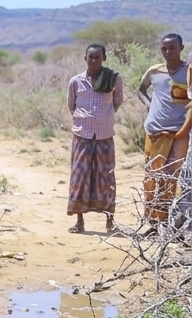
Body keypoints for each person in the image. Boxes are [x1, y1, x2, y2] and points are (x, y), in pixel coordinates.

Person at [66, 43, 124, 234]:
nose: (93, 60)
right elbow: (71, 106)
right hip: (82, 135)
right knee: (79, 177)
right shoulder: (76, 81)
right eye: (90, 57)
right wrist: (86, 120)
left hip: (104, 136)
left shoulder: (113, 79)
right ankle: (79, 221)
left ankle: (110, 222)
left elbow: (117, 102)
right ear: (85, 58)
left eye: (97, 57)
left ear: (104, 58)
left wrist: (103, 118)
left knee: (106, 177)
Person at [137, 33, 189, 230]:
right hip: (154, 130)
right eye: (164, 48)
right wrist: (148, 105)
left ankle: (166, 222)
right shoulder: (155, 71)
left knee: (171, 177)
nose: (168, 52)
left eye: (172, 48)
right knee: (152, 177)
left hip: (178, 132)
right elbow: (141, 90)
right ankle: (152, 223)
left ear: (181, 48)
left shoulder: (189, 71)